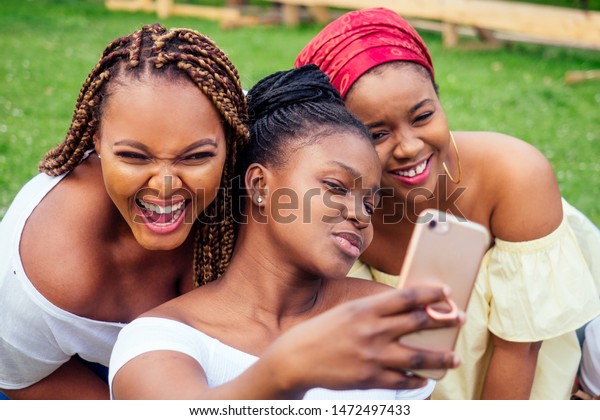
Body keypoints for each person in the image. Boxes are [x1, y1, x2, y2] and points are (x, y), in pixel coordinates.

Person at [296, 7, 600, 400]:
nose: (409, 146)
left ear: (439, 99)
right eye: (377, 133)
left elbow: (520, 348)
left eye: (422, 116)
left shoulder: (513, 175)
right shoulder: (330, 204)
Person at [109, 65, 464, 400]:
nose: (359, 216)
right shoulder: (161, 337)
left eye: (370, 205)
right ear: (260, 185)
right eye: (336, 186)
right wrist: (284, 372)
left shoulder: (383, 319)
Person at [0, 23, 248, 399]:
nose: (165, 186)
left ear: (231, 141)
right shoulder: (43, 269)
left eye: (196, 156)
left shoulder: (264, 164)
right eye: (134, 156)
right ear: (96, 139)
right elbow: (21, 378)